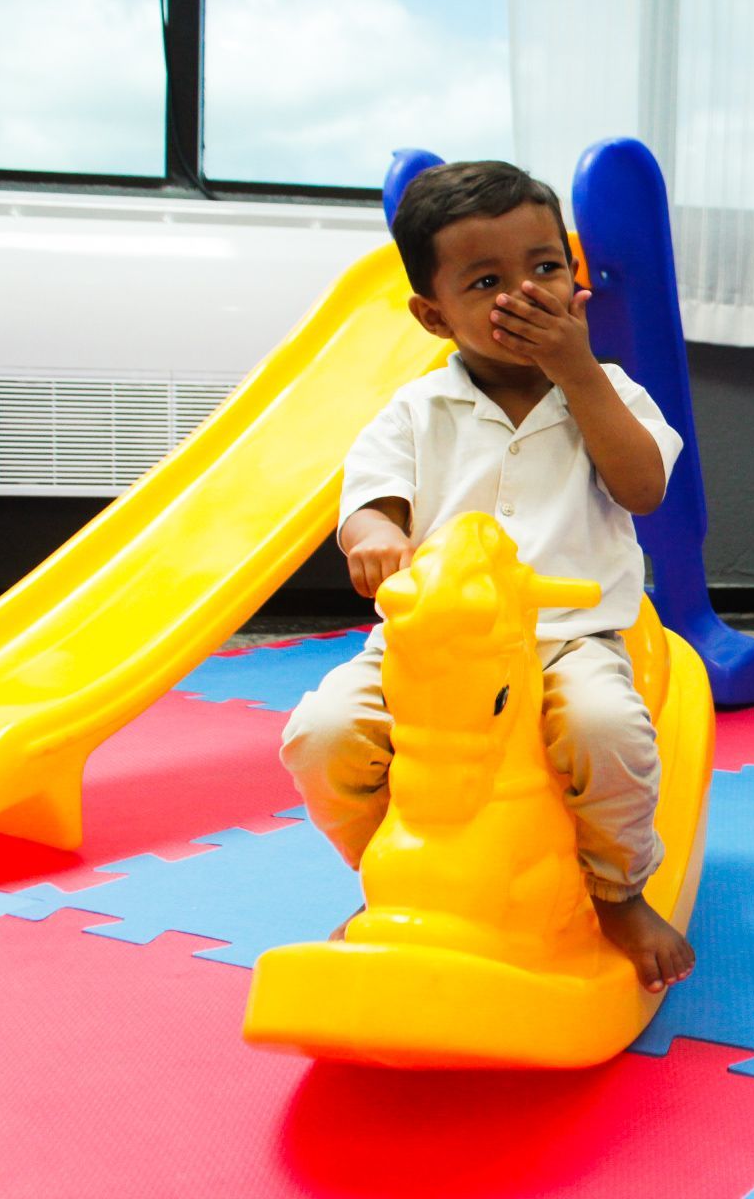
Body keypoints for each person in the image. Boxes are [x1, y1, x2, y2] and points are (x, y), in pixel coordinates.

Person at [280, 159, 694, 992]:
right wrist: (375, 540)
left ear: (576, 283)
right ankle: (398, 875)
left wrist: (579, 376)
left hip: (566, 638)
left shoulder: (610, 392)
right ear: (434, 316)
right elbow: (370, 504)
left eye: (546, 268)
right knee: (319, 736)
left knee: (606, 731)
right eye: (486, 280)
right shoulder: (414, 412)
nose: (526, 293)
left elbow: (644, 489)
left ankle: (618, 889)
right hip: (436, 647)